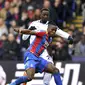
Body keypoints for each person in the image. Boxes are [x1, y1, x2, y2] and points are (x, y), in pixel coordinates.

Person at [22, 8, 73, 85]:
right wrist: (28, 31)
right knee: (30, 73)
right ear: (40, 15)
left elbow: (60, 32)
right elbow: (24, 38)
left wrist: (69, 37)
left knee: (52, 69)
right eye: (44, 15)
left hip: (43, 52)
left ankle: (46, 83)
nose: (45, 16)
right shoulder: (34, 24)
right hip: (32, 52)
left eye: (47, 15)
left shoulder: (51, 26)